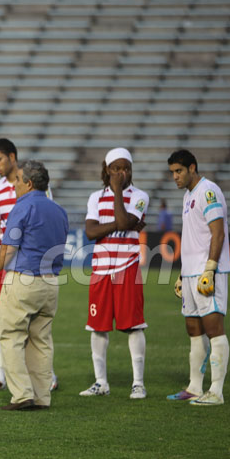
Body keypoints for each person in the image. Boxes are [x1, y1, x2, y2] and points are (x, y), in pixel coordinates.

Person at [0, 160, 68, 410]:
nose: (14, 184)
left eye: (18, 180)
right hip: (51, 282)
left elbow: (8, 249)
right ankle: (42, 397)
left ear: (28, 184)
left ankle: (22, 395)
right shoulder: (59, 211)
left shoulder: (22, 207)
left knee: (10, 337)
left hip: (23, 279)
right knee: (41, 341)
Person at [80, 147, 149, 399]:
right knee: (98, 327)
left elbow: (119, 222)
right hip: (100, 269)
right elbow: (91, 232)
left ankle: (138, 383)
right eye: (117, 168)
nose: (122, 173)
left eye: (126, 168)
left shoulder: (140, 196)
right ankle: (101, 383)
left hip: (127, 267)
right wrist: (121, 224)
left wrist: (117, 191)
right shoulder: (95, 197)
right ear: (107, 170)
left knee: (134, 326)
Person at [167, 149, 230, 406]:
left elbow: (218, 233)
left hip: (207, 272)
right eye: (172, 172)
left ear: (192, 168)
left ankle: (216, 391)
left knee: (214, 329)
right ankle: (195, 387)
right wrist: (182, 275)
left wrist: (210, 269)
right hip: (190, 274)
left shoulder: (208, 191)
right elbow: (193, 239)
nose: (175, 176)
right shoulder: (188, 196)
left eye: (179, 171)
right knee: (193, 329)